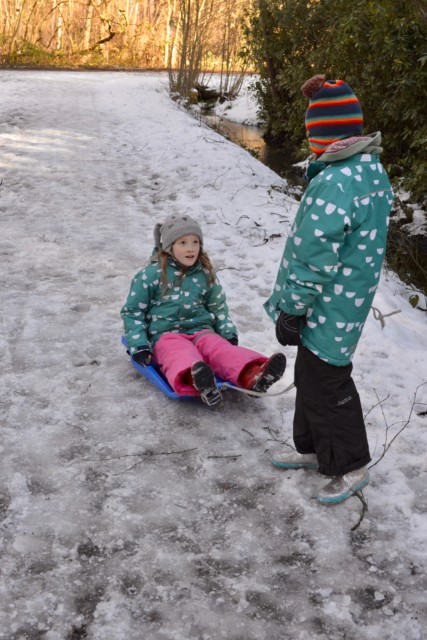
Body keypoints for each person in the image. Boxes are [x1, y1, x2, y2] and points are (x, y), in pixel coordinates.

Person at [264, 75, 394, 503]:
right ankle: (313, 448)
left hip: (328, 304)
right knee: (311, 374)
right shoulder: (367, 169)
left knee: (328, 380)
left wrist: (293, 309)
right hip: (346, 298)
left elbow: (313, 256)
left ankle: (351, 462)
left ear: (323, 135)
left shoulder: (336, 183)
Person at [121, 214, 286, 408]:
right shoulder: (150, 275)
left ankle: (253, 375)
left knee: (221, 350)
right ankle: (199, 381)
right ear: (168, 247)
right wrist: (139, 345)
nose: (191, 248)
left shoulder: (205, 273)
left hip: (201, 331)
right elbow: (133, 312)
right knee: (180, 353)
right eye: (183, 242)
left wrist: (227, 332)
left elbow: (218, 305)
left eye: (195, 242)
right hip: (165, 335)